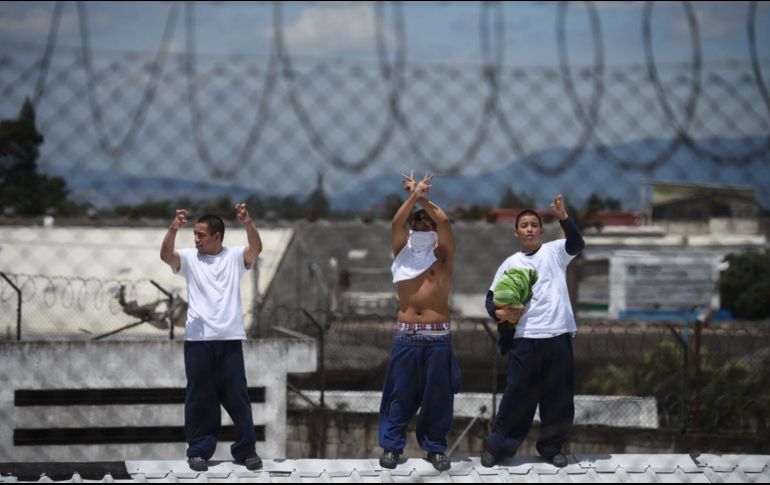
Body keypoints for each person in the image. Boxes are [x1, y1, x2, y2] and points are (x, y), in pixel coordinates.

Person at [481, 195, 585, 469]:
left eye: (533, 224)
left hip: (558, 336)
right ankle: (499, 447)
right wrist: (501, 314)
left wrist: (563, 215)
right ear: (516, 232)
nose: (529, 228)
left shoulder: (555, 252)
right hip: (525, 339)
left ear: (541, 230)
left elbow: (578, 243)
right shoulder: (510, 263)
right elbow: (491, 300)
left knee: (559, 398)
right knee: (517, 397)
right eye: (524, 225)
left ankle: (551, 448)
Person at [160, 203, 263, 472]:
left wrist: (248, 222)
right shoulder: (190, 258)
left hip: (229, 338)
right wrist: (174, 228)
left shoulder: (234, 257)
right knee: (200, 397)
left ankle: (246, 450)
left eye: (201, 235)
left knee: (237, 395)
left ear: (217, 236)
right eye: (194, 234)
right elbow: (166, 256)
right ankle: (199, 451)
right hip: (198, 339)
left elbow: (256, 249)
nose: (196, 239)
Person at [378, 172, 462, 472]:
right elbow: (395, 223)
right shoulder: (402, 254)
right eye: (418, 225)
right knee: (399, 395)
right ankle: (391, 446)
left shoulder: (443, 256)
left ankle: (435, 448)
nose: (423, 228)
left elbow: (446, 222)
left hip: (437, 337)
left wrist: (423, 199)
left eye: (428, 225)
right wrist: (412, 197)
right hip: (407, 336)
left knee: (438, 398)